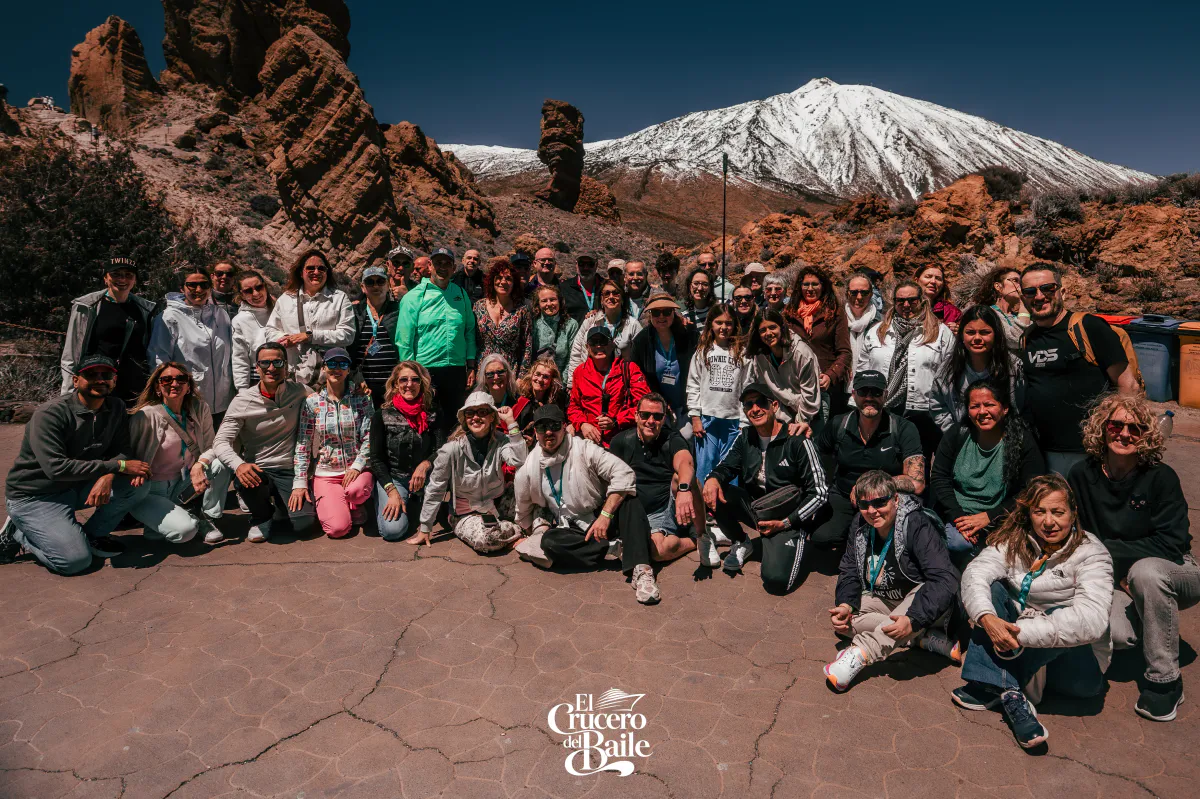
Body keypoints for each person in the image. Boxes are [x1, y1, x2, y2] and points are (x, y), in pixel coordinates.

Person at [954, 474, 1113, 750]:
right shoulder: (1015, 540)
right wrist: (987, 619)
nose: (1048, 522)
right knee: (990, 590)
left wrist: (1017, 635)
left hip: (1072, 667)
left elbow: (1092, 620)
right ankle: (1013, 694)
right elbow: (976, 572)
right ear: (1029, 513)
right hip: (1019, 647)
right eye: (1040, 512)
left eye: (1058, 512)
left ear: (1073, 513)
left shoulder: (1092, 553)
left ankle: (997, 682)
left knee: (1067, 614)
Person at [1069, 394, 1197, 722]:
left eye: (1135, 428)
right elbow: (1076, 537)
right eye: (1116, 425)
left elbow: (1171, 543)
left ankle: (1165, 680)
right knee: (1117, 634)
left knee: (1146, 573)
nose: (1125, 434)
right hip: (1116, 576)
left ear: (1146, 435)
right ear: (1102, 428)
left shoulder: (1161, 477)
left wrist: (1107, 551)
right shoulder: (1081, 475)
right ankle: (1152, 618)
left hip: (1175, 569)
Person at [1, 355, 151, 574]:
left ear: (114, 380)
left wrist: (109, 475)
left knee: (136, 485)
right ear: (75, 380)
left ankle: (91, 536)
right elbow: (56, 468)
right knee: (74, 562)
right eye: (91, 375)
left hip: (77, 486)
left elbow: (122, 450)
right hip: (37, 495)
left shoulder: (115, 407)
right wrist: (116, 467)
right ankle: (20, 533)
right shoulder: (51, 414)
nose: (99, 380)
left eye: (106, 375)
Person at [824, 471, 961, 691]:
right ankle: (919, 639)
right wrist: (845, 604)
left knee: (923, 590)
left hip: (929, 606)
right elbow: (849, 567)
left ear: (895, 499)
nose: (872, 511)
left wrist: (913, 619)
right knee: (845, 624)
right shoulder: (860, 523)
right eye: (864, 504)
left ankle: (860, 654)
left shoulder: (916, 524)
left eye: (880, 502)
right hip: (888, 600)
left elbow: (944, 579)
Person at [514, 404, 661, 605]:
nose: (548, 432)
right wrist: (526, 534)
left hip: (602, 515)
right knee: (550, 542)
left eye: (554, 425)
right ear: (535, 432)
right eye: (542, 427)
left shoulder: (584, 449)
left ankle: (641, 570)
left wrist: (605, 515)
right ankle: (613, 549)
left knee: (629, 499)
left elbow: (624, 473)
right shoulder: (529, 468)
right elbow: (523, 508)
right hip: (574, 528)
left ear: (564, 426)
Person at [702, 384, 829, 587]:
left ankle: (796, 543)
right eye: (748, 405)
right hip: (759, 510)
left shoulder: (796, 440)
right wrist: (713, 479)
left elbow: (820, 493)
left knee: (776, 581)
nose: (755, 409)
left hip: (789, 518)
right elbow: (726, 466)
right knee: (714, 489)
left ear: (775, 406)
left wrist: (786, 522)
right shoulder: (745, 437)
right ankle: (741, 541)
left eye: (761, 402)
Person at [1020, 263, 1138, 476]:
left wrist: (1119, 443)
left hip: (1090, 452)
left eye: (1048, 288)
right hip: (1042, 451)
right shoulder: (1028, 338)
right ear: (1023, 298)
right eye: (1030, 291)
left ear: (1062, 291)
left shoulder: (1089, 327)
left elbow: (1128, 386)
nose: (1039, 296)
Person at [213, 342, 316, 543]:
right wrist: (239, 465)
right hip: (259, 470)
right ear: (257, 367)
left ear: (286, 366)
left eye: (277, 362)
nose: (271, 368)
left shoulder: (300, 391)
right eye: (265, 363)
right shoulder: (242, 401)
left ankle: (281, 507)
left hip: (289, 469)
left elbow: (326, 403)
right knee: (246, 480)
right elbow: (221, 441)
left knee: (304, 525)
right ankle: (261, 517)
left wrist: (355, 391)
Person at [931, 380, 1043, 560]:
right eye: (975, 406)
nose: (982, 412)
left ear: (1004, 408)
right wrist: (959, 519)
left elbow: (1031, 488)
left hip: (1003, 516)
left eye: (989, 404)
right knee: (959, 544)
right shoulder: (957, 434)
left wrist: (990, 516)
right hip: (961, 516)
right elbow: (939, 477)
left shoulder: (1022, 440)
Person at [813, 370, 924, 546]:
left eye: (876, 392)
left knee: (896, 538)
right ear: (854, 394)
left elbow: (917, 483)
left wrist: (870, 486)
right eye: (863, 392)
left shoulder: (903, 428)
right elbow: (815, 455)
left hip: (884, 502)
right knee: (821, 537)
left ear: (885, 395)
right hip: (845, 497)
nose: (869, 398)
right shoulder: (838, 424)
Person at [127, 362, 233, 546]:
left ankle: (206, 518)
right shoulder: (145, 415)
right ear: (158, 387)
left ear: (188, 386)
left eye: (181, 379)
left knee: (220, 464)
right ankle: (180, 517)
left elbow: (212, 446)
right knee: (184, 531)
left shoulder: (199, 408)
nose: (174, 384)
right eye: (166, 380)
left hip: (181, 483)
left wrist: (200, 464)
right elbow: (129, 453)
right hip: (151, 489)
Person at [856, 280, 954, 464]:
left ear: (922, 301)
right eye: (900, 301)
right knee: (886, 462)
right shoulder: (877, 332)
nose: (906, 305)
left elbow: (950, 374)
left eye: (912, 300)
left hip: (925, 411)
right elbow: (863, 369)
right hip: (886, 409)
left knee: (919, 464)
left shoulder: (940, 333)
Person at [415, 392, 526, 552]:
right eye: (470, 413)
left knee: (533, 497)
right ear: (464, 419)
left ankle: (507, 529)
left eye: (482, 412)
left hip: (496, 505)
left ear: (492, 417)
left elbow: (519, 460)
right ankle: (516, 531)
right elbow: (436, 488)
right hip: (466, 514)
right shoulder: (451, 449)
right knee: (486, 539)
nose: (475, 417)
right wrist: (425, 527)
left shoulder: (501, 441)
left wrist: (510, 422)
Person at [291, 349, 374, 539]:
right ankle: (339, 503)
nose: (337, 369)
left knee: (356, 492)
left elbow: (370, 436)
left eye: (343, 364)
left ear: (348, 370)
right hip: (326, 472)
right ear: (324, 367)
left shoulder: (362, 397)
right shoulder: (312, 402)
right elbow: (303, 444)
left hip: (357, 469)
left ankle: (355, 501)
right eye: (332, 364)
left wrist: (357, 466)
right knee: (337, 529)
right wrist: (300, 481)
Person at [394, 247, 477, 437]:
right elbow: (404, 339)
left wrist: (471, 365)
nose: (442, 267)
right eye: (438, 263)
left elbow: (469, 331)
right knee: (428, 423)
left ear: (454, 268)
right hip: (425, 371)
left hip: (456, 370)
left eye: (447, 263)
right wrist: (410, 373)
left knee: (454, 422)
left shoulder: (460, 294)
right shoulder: (414, 296)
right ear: (430, 266)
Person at [611, 394, 701, 563]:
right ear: (636, 416)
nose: (651, 421)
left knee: (658, 551)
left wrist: (683, 489)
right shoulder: (621, 442)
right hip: (633, 510)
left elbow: (685, 463)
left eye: (657, 416)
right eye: (645, 415)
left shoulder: (672, 439)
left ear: (664, 418)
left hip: (661, 509)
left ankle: (697, 540)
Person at [60, 257, 157, 404]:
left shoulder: (146, 310)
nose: (122, 279)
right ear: (106, 278)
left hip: (134, 387)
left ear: (135, 280)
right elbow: (71, 354)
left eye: (128, 275)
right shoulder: (87, 307)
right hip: (97, 383)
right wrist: (68, 394)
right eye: (116, 274)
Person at [148, 266, 235, 427]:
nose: (199, 290)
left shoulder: (220, 315)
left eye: (204, 285)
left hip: (224, 401)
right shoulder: (169, 317)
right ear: (182, 288)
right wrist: (167, 397)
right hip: (189, 401)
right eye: (192, 285)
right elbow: (159, 359)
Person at [370, 362, 444, 542]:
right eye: (403, 380)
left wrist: (425, 464)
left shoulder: (433, 412)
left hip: (424, 476)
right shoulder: (382, 415)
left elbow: (441, 449)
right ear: (396, 384)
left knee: (443, 516)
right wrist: (392, 492)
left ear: (422, 383)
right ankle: (384, 498)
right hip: (395, 477)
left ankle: (417, 499)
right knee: (392, 531)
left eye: (415, 380)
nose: (409, 384)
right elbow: (376, 459)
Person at [265, 249, 355, 386]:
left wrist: (311, 336)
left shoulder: (339, 298)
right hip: (293, 376)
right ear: (301, 272)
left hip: (329, 378)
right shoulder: (285, 299)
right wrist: (285, 339)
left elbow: (347, 335)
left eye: (321, 268)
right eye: (310, 268)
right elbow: (270, 331)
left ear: (327, 273)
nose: (316, 272)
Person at [930, 304, 1024, 432]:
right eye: (970, 332)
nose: (977, 338)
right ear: (961, 335)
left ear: (996, 334)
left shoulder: (1013, 367)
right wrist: (955, 433)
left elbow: (1021, 408)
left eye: (985, 332)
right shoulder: (948, 369)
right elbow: (937, 405)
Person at [687, 305, 752, 485]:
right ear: (711, 324)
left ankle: (728, 501)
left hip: (733, 420)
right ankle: (703, 501)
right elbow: (693, 384)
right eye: (719, 322)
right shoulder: (703, 352)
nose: (723, 327)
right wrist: (695, 417)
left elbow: (747, 387)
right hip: (707, 419)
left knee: (730, 468)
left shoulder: (742, 353)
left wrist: (744, 421)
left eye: (728, 323)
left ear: (735, 325)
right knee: (705, 465)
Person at [785, 265, 853, 425]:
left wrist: (831, 375)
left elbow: (844, 352)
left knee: (820, 433)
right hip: (796, 386)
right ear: (800, 287)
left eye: (815, 284)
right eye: (806, 284)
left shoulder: (835, 313)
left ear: (823, 286)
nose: (810, 289)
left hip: (824, 388)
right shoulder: (789, 314)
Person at [568, 326, 649, 447]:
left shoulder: (629, 369)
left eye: (603, 342)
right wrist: (582, 424)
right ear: (587, 347)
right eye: (593, 342)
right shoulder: (579, 372)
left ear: (612, 344)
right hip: (590, 442)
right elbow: (573, 407)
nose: (598, 346)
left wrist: (617, 421)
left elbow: (644, 407)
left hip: (622, 440)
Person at [630, 293, 698, 431]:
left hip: (687, 407)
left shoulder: (689, 335)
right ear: (650, 315)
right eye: (656, 312)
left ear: (674, 313)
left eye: (666, 312)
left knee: (687, 436)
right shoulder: (641, 341)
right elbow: (637, 377)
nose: (661, 317)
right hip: (657, 410)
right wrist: (657, 402)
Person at [745, 309, 820, 431]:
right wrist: (784, 421)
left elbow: (810, 395)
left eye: (772, 327)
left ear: (781, 327)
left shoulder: (801, 353)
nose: (768, 333)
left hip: (811, 412)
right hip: (782, 414)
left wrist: (800, 421)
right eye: (763, 330)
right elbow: (767, 391)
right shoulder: (760, 355)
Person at [566, 279, 642, 380]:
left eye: (615, 293)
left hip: (621, 381)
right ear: (601, 299)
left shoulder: (633, 325)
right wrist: (572, 382)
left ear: (622, 298)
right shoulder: (590, 321)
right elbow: (576, 352)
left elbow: (641, 356)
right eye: (607, 293)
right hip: (590, 380)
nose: (611, 297)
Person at [351, 266, 401, 409]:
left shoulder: (398, 310)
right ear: (363, 287)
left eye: (380, 281)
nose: (375, 286)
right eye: (370, 282)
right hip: (363, 384)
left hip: (393, 384)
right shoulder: (354, 311)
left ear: (388, 285)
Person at [474, 256, 534, 375]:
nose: (503, 282)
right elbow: (471, 340)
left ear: (514, 283)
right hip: (482, 370)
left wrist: (522, 376)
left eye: (508, 278)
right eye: (498, 278)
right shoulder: (479, 306)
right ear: (492, 281)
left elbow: (527, 346)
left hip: (509, 372)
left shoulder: (522, 310)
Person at [230, 269, 275, 390]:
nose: (255, 294)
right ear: (242, 295)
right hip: (258, 382)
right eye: (248, 291)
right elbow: (240, 358)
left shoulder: (279, 310)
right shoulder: (240, 321)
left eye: (259, 287)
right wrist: (242, 390)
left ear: (265, 287)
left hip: (284, 378)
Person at [513, 355, 570, 444]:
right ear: (532, 375)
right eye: (538, 374)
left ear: (552, 380)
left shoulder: (558, 400)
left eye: (546, 377)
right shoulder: (519, 398)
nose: (540, 379)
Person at [531, 284, 579, 383]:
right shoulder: (533, 323)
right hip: (536, 381)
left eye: (552, 299)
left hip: (560, 381)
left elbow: (572, 357)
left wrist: (564, 383)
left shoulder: (571, 325)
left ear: (560, 301)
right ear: (538, 304)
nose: (549, 304)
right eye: (544, 301)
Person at [972, 266, 1029, 348]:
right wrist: (1024, 302)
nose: (1020, 286)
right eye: (1015, 281)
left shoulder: (1018, 315)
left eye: (1021, 283)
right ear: (998, 286)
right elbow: (1018, 340)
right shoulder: (988, 314)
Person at [844, 271, 879, 393]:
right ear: (847, 293)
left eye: (864, 293)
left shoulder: (881, 324)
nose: (859, 297)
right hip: (840, 387)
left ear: (871, 294)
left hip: (870, 388)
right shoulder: (837, 321)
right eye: (854, 292)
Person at [915, 263, 962, 333]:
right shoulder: (905, 305)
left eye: (938, 278)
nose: (933, 281)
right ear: (916, 280)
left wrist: (960, 333)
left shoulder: (952, 313)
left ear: (943, 284)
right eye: (928, 277)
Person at [560, 253, 603, 324]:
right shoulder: (564, 288)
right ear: (576, 264)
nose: (586, 268)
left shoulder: (606, 287)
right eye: (581, 264)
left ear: (596, 265)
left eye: (590, 264)